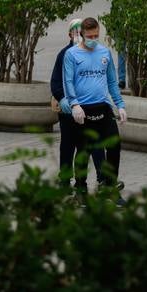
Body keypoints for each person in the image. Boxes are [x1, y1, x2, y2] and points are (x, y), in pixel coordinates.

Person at [63, 16, 127, 202]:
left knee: (114, 146)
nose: (93, 39)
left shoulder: (104, 53)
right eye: (90, 36)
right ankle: (81, 190)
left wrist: (120, 105)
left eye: (96, 35)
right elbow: (68, 82)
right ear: (82, 34)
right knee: (84, 150)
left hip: (103, 107)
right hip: (83, 110)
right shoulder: (72, 55)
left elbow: (112, 82)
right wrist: (74, 104)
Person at [50, 18, 104, 189]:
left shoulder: (93, 53)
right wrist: (62, 99)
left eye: (79, 31)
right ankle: (65, 180)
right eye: (74, 31)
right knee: (67, 146)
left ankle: (86, 182)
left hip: (88, 109)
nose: (78, 35)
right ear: (69, 34)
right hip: (67, 112)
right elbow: (55, 82)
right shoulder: (64, 54)